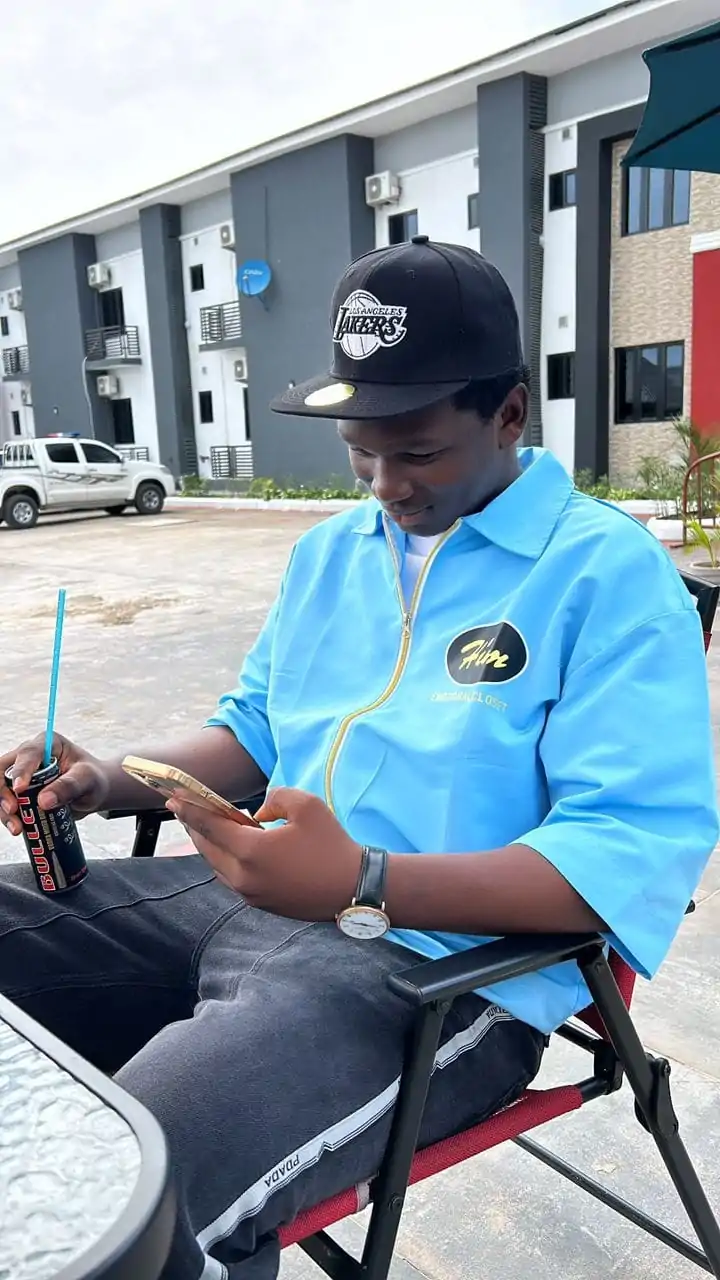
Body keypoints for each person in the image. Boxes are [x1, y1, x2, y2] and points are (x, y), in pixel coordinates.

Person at [0, 236, 717, 1280]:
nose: (387, 485)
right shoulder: (331, 553)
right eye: (360, 452)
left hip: (438, 969)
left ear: (510, 414)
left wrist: (366, 880)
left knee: (135, 1188)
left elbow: (627, 853)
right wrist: (107, 775)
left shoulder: (605, 575)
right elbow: (253, 728)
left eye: (419, 452)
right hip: (242, 892)